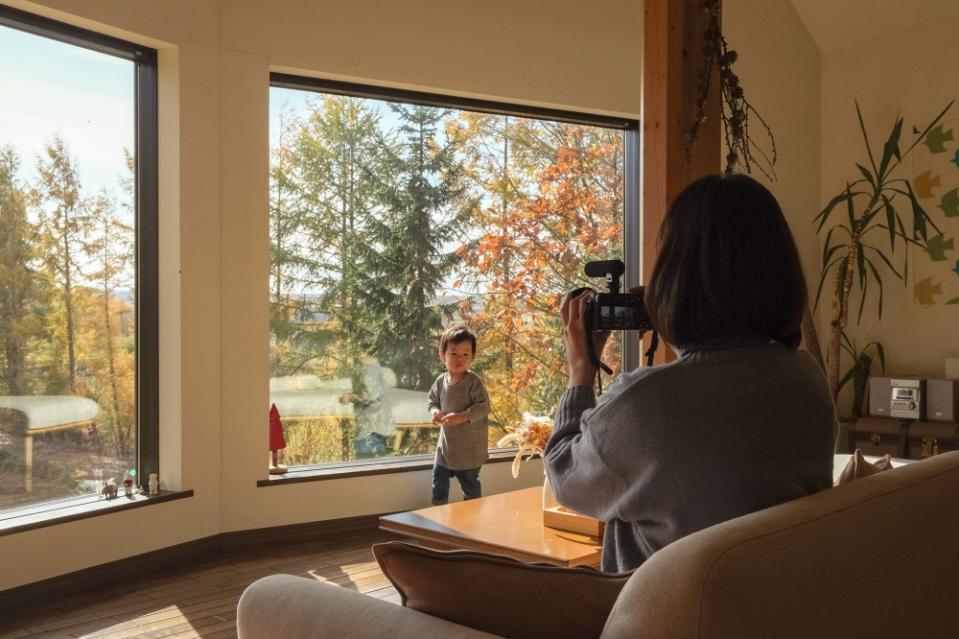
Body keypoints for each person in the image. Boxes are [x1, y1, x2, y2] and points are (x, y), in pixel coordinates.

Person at [544, 174, 837, 573]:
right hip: (773, 609)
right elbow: (723, 377)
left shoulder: (649, 406)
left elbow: (566, 476)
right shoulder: (807, 381)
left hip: (661, 619)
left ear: (675, 277)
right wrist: (674, 322)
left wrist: (581, 371)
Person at [427, 325, 491, 505]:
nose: (459, 359)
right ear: (442, 356)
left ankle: (471, 519)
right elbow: (432, 401)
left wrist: (462, 416)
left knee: (470, 487)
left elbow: (484, 407)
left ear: (472, 357)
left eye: (465, 354)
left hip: (469, 451)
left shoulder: (473, 382)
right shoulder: (440, 381)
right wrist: (435, 412)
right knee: (438, 480)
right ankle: (438, 513)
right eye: (453, 353)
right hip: (446, 449)